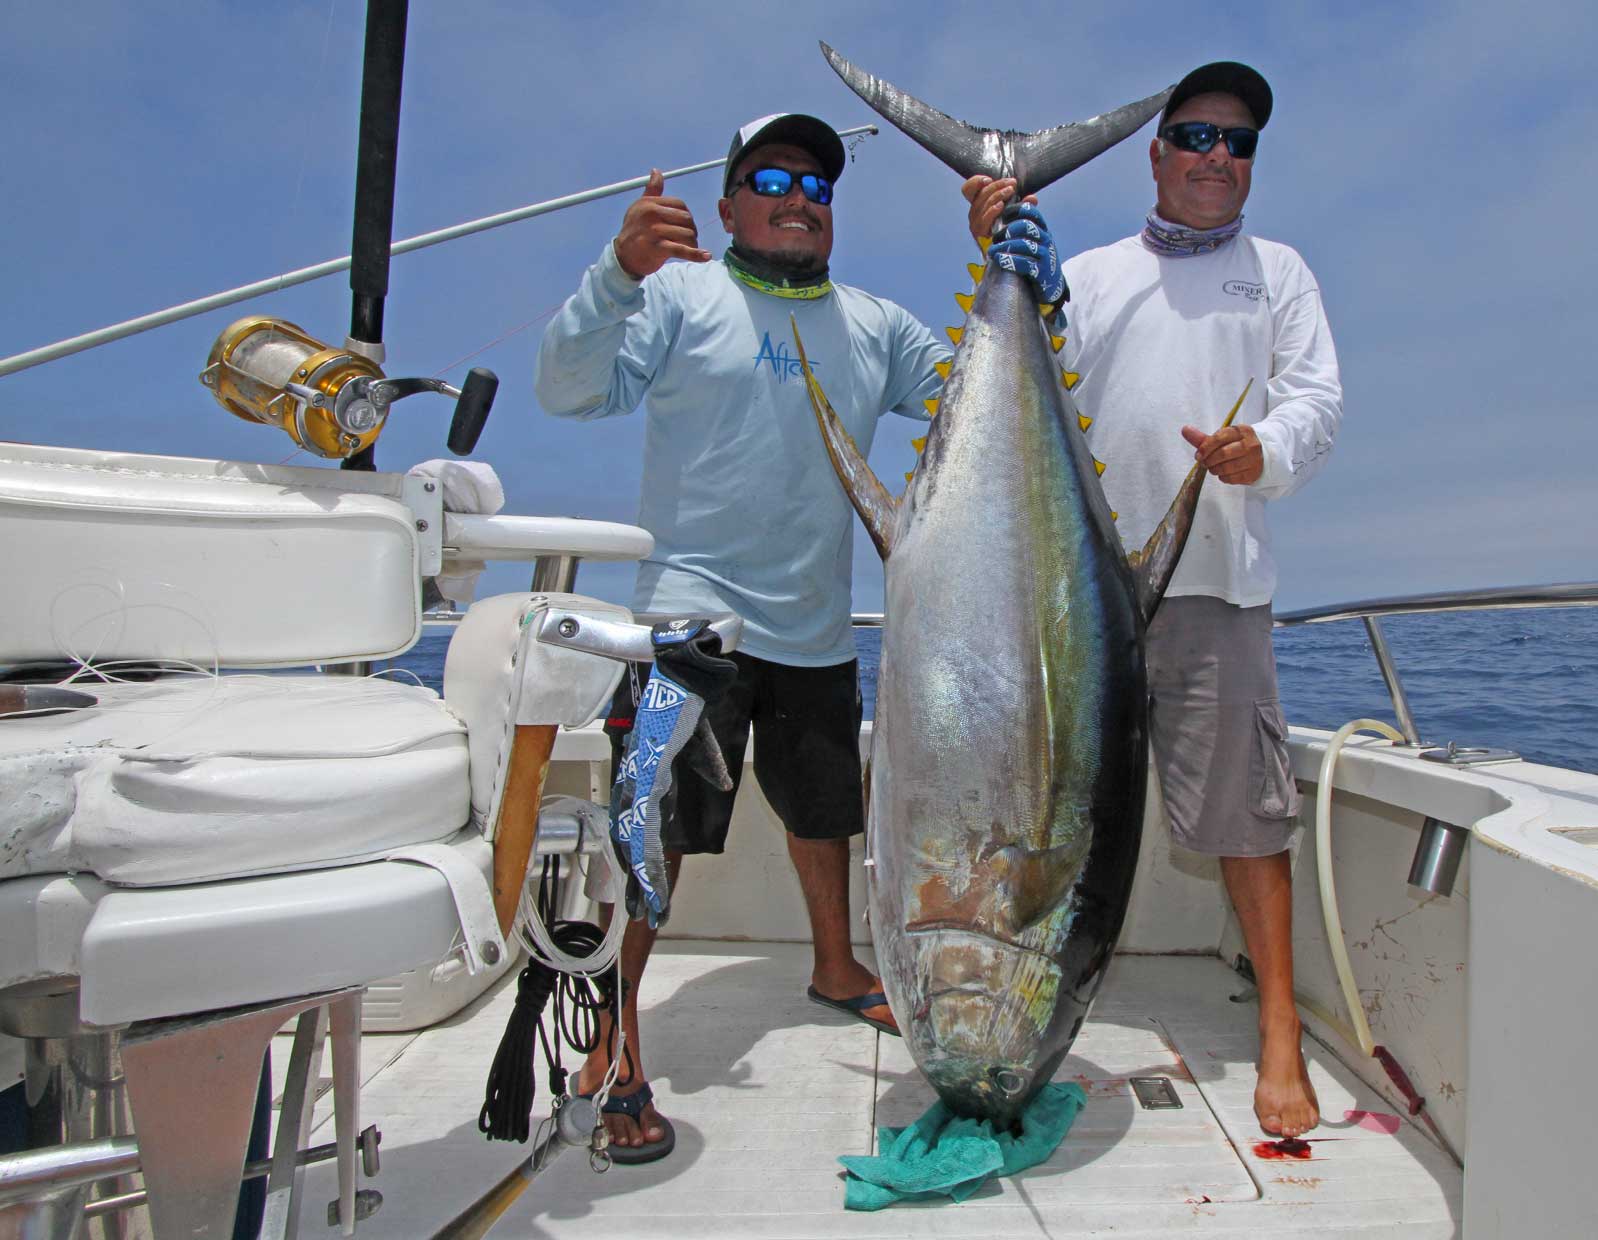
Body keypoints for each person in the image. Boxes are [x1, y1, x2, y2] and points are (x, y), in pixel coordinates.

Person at [535, 113, 948, 1161]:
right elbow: (569, 388)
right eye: (772, 178)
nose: (799, 196)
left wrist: (1021, 280)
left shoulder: (877, 325)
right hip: (693, 619)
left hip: (816, 625)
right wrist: (616, 272)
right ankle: (619, 1037)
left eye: (817, 184)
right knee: (658, 829)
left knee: (826, 811)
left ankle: (836, 967)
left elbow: (971, 395)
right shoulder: (678, 293)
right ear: (725, 207)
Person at [964, 61, 1342, 1139]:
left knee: (1244, 816)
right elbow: (1026, 384)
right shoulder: (1084, 272)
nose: (1219, 157)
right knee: (1047, 812)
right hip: (1066, 591)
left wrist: (1258, 448)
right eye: (1198, 136)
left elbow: (1317, 400)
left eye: (1239, 143)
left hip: (1212, 582)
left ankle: (1278, 1027)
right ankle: (1022, 996)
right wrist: (998, 248)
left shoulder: (1280, 274)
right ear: (1158, 153)